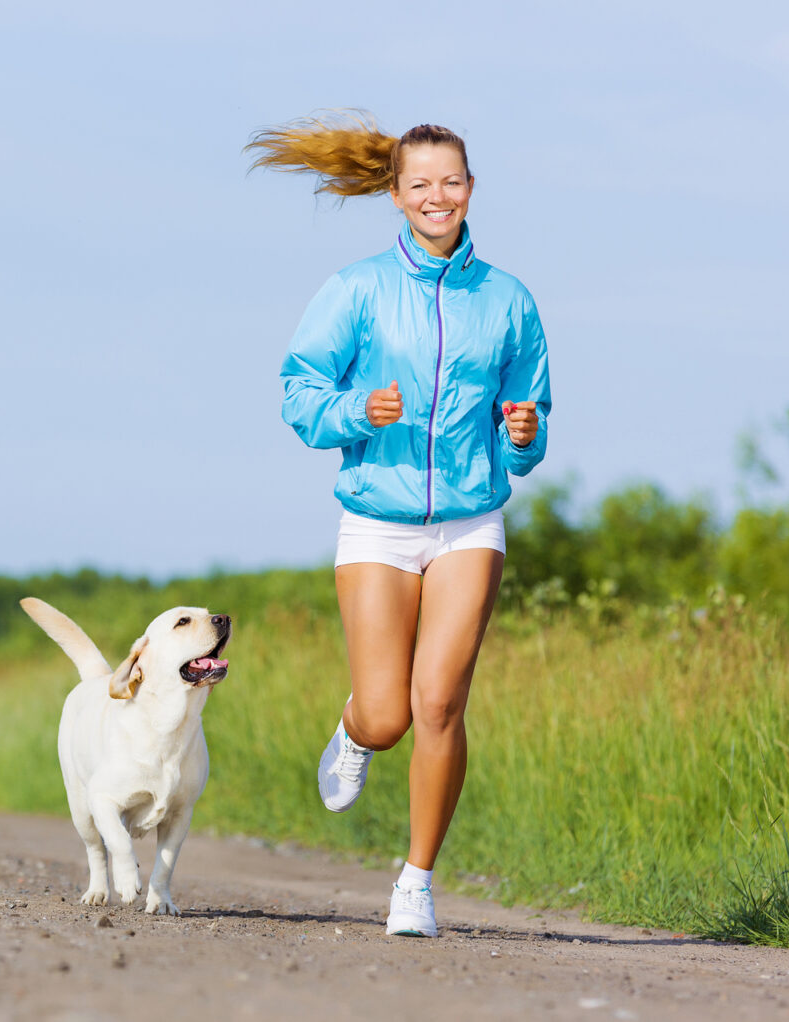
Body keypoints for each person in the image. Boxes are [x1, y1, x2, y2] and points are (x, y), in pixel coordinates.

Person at [247, 113, 551, 937]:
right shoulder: (356, 290)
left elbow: (531, 424)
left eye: (450, 181)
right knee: (389, 715)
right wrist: (358, 409)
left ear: (471, 189)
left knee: (441, 704)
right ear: (395, 195)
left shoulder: (508, 300)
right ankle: (354, 728)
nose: (436, 196)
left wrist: (521, 437)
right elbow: (298, 392)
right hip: (377, 523)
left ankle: (415, 882)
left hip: (469, 522)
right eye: (419, 183)